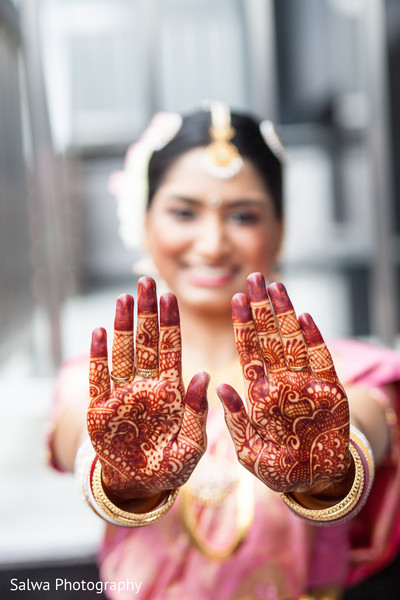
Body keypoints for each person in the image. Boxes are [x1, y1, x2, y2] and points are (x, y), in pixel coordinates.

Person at [48, 102, 400, 600]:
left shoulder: (337, 376)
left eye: (243, 215)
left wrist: (328, 471)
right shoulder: (103, 384)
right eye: (184, 211)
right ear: (144, 223)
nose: (212, 243)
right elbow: (78, 438)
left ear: (278, 231)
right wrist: (122, 479)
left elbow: (359, 429)